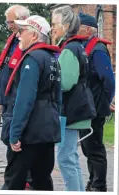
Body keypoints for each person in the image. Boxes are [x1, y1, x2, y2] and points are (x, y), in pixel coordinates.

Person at [2, 15, 61, 190]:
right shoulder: (53, 58)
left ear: (34, 35)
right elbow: (58, 98)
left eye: (22, 31)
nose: (18, 36)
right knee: (42, 179)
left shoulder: (32, 58)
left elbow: (24, 99)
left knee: (14, 180)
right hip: (47, 129)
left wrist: (15, 133)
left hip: (30, 132)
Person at [51, 6, 96, 191]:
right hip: (77, 108)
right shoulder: (77, 46)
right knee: (72, 158)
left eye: (55, 24)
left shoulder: (69, 48)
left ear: (66, 25)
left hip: (69, 110)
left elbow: (65, 83)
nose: (52, 28)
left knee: (65, 158)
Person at [0, 5, 32, 190]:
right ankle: (18, 180)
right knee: (9, 139)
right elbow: (4, 72)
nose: (8, 26)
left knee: (16, 140)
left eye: (10, 22)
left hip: (17, 99)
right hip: (8, 98)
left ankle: (18, 182)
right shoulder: (13, 41)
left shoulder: (28, 43)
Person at [78, 13, 115, 191]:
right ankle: (93, 180)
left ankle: (99, 185)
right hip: (87, 104)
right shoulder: (84, 47)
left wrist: (105, 102)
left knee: (95, 148)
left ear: (87, 29)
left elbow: (108, 79)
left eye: (77, 26)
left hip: (95, 105)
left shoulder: (98, 49)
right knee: (87, 147)